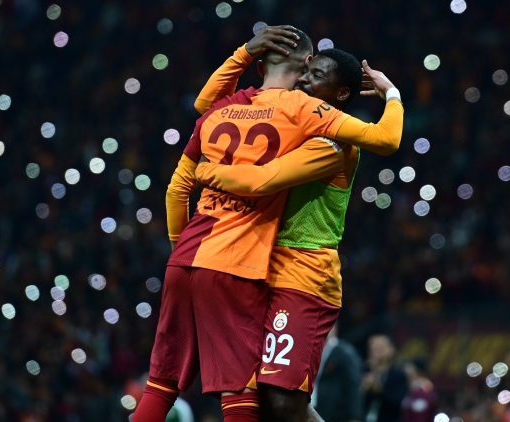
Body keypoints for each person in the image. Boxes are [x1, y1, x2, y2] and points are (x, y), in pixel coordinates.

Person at [133, 25, 402, 422]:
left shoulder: (330, 137)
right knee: (252, 395)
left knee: (281, 402)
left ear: (341, 94)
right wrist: (245, 53)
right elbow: (207, 106)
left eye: (316, 76)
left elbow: (261, 178)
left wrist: (391, 93)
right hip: (256, 267)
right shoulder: (290, 115)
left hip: (302, 273)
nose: (306, 81)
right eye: (306, 72)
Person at [311, 325, 364, 422]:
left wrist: (355, 416)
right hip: (311, 407)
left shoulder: (345, 353)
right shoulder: (310, 349)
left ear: (335, 329)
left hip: (335, 414)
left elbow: (353, 384)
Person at [362, 335, 408, 422]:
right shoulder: (364, 371)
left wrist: (380, 390)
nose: (376, 352)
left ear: (390, 350)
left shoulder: (398, 375)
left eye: (380, 349)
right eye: (373, 349)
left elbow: (398, 401)